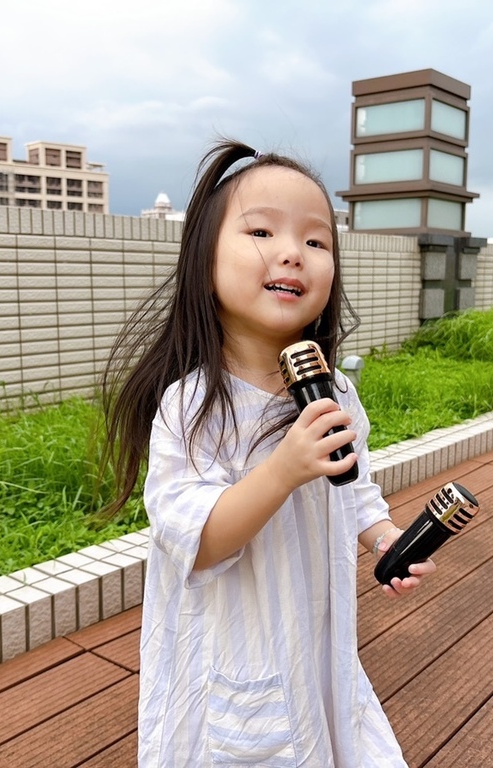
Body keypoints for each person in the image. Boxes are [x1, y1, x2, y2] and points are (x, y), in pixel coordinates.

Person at [102, 139, 436, 766]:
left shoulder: (333, 392)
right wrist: (283, 469)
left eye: (317, 242)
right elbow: (198, 540)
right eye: (261, 231)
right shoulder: (192, 403)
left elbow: (353, 484)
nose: (293, 252)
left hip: (319, 642)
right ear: (204, 264)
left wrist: (387, 535)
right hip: (234, 656)